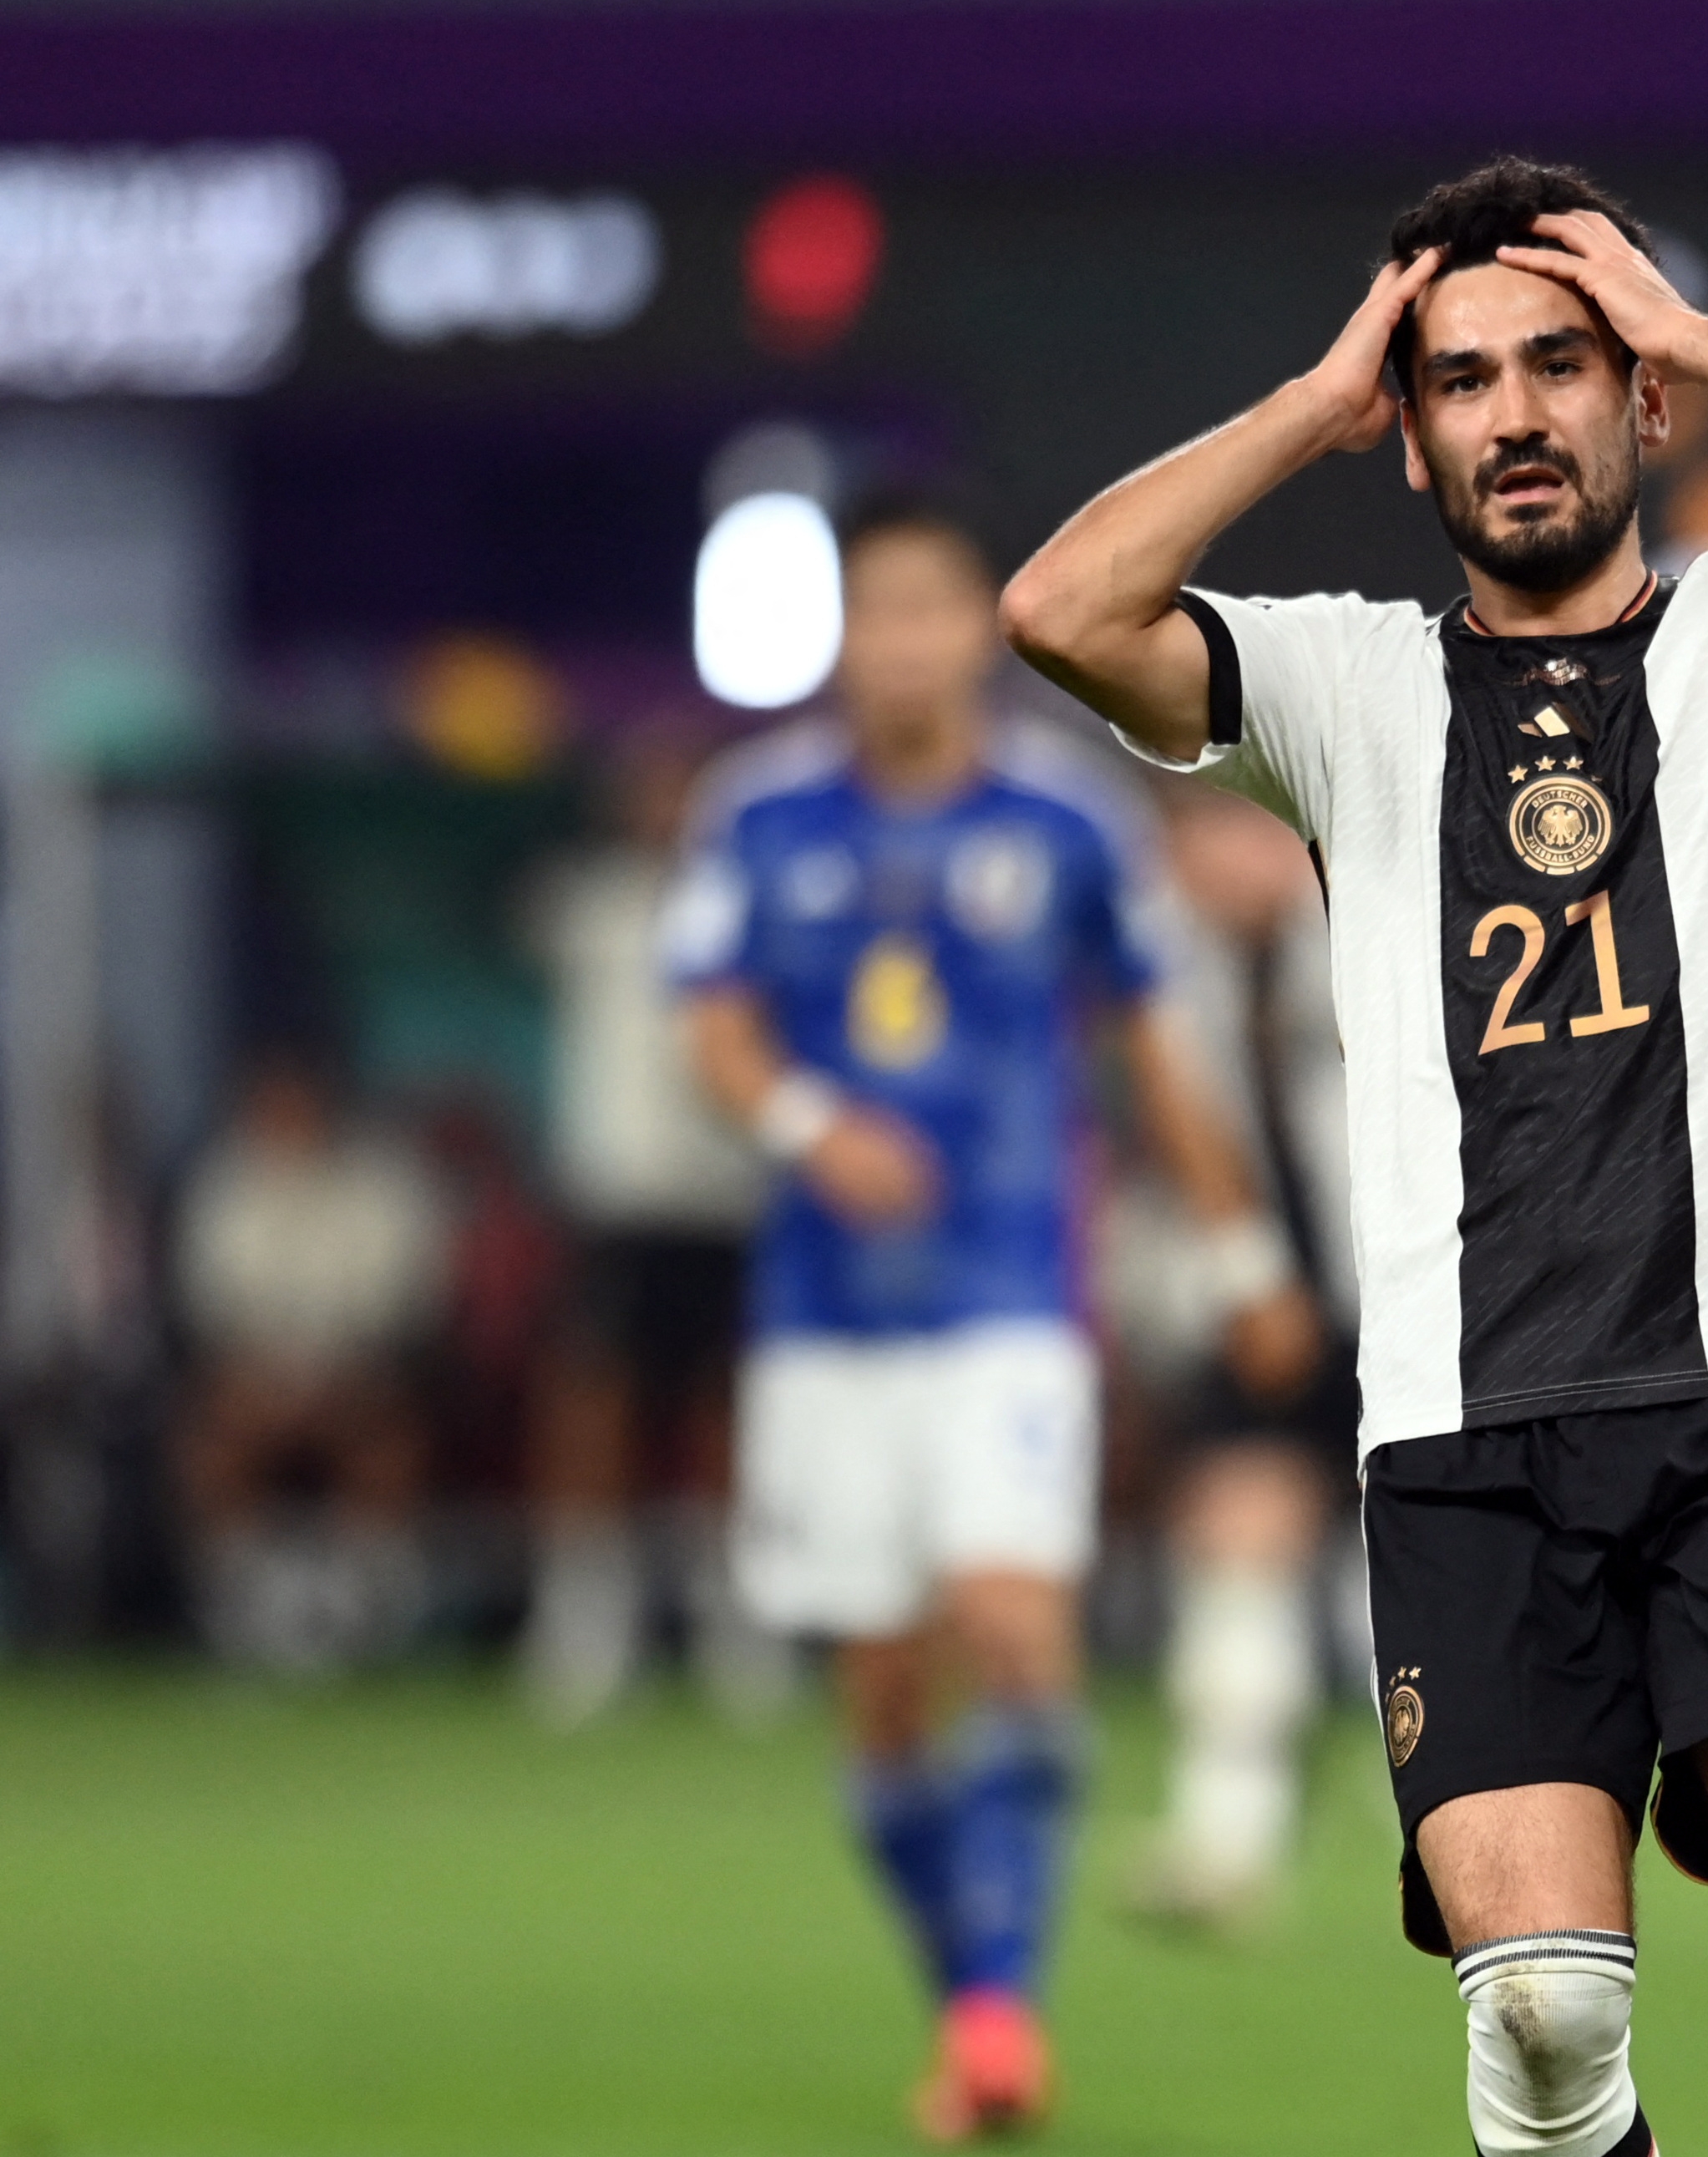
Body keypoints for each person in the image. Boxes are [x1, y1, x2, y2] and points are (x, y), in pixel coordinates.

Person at [1002, 157, 1708, 2157]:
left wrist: (1695, 328)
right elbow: (1060, 608)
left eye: (1561, 363)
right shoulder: (1343, 688)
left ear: (1638, 399)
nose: (1514, 413)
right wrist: (1317, 398)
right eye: (1461, 380)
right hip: (1463, 1435)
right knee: (1549, 2022)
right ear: (1413, 437)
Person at [666, 497, 1311, 2140]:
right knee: (886, 1699)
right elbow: (716, 1031)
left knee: (1014, 1632)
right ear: (841, 636)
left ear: (977, 629)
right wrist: (816, 1128)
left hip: (1013, 1298)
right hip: (823, 1322)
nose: (901, 643)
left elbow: (1156, 1047)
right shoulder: (755, 818)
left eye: (928, 611)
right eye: (872, 612)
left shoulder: (1069, 819)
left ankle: (1004, 2016)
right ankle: (967, 1995)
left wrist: (1242, 1262)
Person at [1111, 783, 1358, 1925]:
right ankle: (1226, 1839)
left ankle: (1463, 1832)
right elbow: (1177, 1116)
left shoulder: (1382, 916)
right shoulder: (1156, 953)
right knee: (1239, 1531)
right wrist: (1252, 1276)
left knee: (1435, 1573)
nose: (1235, 854)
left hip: (1415, 1285)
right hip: (1243, 1292)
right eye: (1205, 827)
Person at [519, 725, 782, 1727]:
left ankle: (731, 1619)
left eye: (684, 794)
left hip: (726, 1196)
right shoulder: (587, 906)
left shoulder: (759, 906)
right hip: (614, 1199)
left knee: (724, 1412)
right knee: (593, 1407)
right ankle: (588, 1618)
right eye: (651, 793)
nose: (666, 813)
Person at [175, 1051, 447, 1674]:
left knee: (389, 1438)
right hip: (255, 1384)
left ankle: (365, 1613)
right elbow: (213, 1317)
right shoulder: (226, 1187)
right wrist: (271, 1383)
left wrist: (330, 1382)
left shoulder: (382, 1183)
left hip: (358, 1382)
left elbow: (404, 1311)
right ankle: (248, 1613)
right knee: (213, 1442)